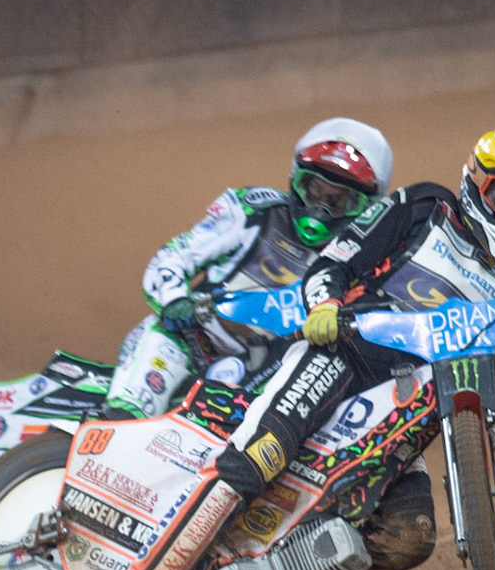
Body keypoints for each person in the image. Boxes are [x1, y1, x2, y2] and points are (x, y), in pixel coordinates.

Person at [106, 127, 495, 570]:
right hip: (344, 354)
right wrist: (325, 305)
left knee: (410, 535)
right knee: (258, 456)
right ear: (475, 182)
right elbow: (335, 260)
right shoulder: (424, 207)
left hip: (409, 403)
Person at [104, 119, 395, 419]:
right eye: (314, 191)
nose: (319, 209)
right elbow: (176, 256)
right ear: (297, 180)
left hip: (271, 373)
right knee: (158, 342)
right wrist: (175, 301)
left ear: (367, 207)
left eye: (339, 201)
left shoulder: (362, 260)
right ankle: (120, 422)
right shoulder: (254, 211)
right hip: (196, 341)